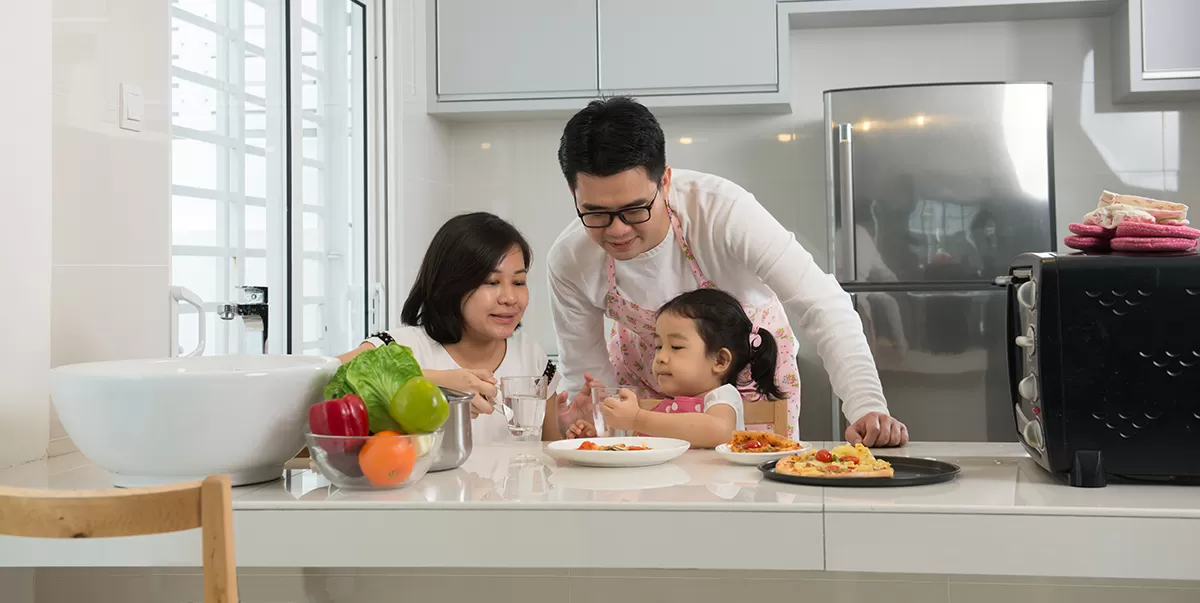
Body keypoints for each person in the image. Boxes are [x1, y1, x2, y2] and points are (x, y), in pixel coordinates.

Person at [548, 97, 909, 446]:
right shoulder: (570, 259)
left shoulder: (723, 212)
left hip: (754, 383)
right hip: (644, 396)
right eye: (595, 213)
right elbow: (588, 373)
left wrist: (865, 404)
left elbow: (820, 303)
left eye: (634, 209)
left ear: (665, 182)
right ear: (572, 192)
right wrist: (601, 432)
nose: (617, 230)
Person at [338, 212, 589, 444]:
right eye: (492, 282)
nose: (510, 298)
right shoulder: (398, 347)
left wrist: (566, 429)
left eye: (519, 282)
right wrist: (437, 382)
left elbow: (546, 456)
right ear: (451, 285)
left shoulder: (530, 355)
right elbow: (323, 377)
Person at [597, 288, 782, 448]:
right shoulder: (663, 406)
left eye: (676, 347)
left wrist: (638, 419)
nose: (660, 357)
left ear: (720, 360)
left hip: (713, 486)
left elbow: (718, 431)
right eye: (658, 346)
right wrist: (595, 434)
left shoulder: (723, 396)